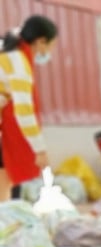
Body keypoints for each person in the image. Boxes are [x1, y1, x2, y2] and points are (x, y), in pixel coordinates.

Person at [0, 15, 57, 201]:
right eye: (51, 45)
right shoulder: (18, 62)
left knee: (6, 181)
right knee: (6, 193)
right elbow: (24, 111)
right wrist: (39, 149)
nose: (50, 50)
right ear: (41, 42)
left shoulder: (8, 54)